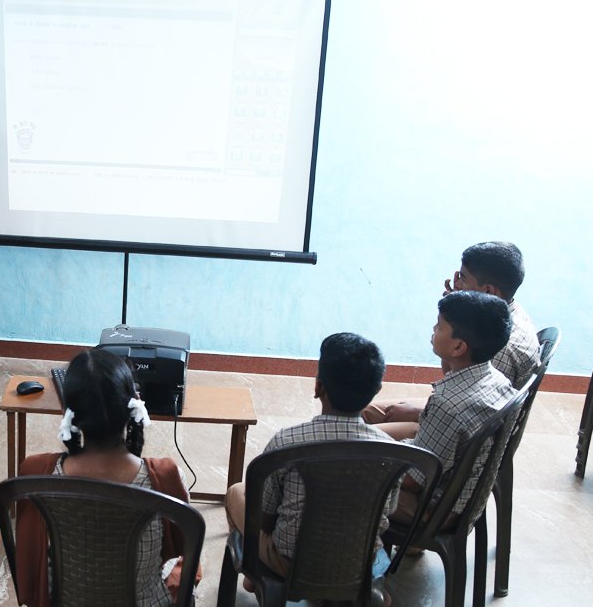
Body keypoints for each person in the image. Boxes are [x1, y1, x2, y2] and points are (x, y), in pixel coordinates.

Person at [13, 348, 197, 607]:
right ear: (132, 406)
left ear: (70, 411)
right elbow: (186, 546)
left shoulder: (37, 473)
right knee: (183, 572)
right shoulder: (162, 477)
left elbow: (29, 552)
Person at [224, 332, 398, 584]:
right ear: (376, 391)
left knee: (236, 493)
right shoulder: (391, 452)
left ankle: (256, 578)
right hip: (358, 564)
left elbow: (266, 519)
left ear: (318, 387)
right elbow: (389, 511)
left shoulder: (286, 443)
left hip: (292, 564)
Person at [365, 241, 540, 433]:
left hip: (463, 429)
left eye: (463, 278)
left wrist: (419, 413)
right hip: (459, 404)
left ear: (489, 291)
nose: (457, 284)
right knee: (365, 412)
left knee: (362, 436)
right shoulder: (504, 315)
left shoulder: (501, 346)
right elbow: (457, 379)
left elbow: (478, 413)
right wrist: (458, 311)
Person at [393, 291, 516, 522]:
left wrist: (378, 458)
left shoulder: (447, 404)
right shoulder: (498, 380)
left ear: (458, 347)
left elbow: (412, 480)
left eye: (439, 326)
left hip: (432, 511)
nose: (433, 329)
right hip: (459, 501)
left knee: (344, 474)